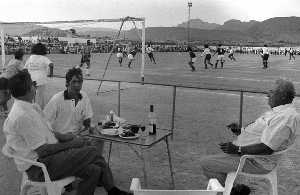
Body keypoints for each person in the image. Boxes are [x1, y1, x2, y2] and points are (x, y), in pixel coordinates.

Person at [2, 69, 131, 195]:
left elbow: (50, 131)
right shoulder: (22, 116)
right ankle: (113, 191)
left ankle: (112, 190)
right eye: (32, 84)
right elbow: (43, 151)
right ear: (28, 89)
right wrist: (73, 144)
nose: (35, 87)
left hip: (50, 158)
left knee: (94, 170)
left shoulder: (31, 107)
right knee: (92, 152)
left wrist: (67, 138)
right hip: (41, 166)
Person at [200, 79, 300, 187]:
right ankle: (235, 188)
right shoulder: (279, 112)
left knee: (206, 163)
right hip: (251, 157)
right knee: (214, 160)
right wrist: (240, 131)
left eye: (272, 92)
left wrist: (238, 150)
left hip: (255, 161)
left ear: (283, 96)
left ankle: (233, 191)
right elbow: (261, 135)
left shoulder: (285, 117)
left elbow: (267, 148)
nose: (268, 95)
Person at [44, 67, 104, 154]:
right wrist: (62, 137)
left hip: (77, 136)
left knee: (99, 140)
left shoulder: (84, 96)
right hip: (61, 139)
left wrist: (92, 129)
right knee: (85, 153)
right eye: (74, 82)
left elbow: (87, 120)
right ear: (67, 83)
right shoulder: (57, 99)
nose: (77, 85)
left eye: (80, 82)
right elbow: (44, 123)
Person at [24, 43, 54, 109]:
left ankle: (32, 108)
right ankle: (39, 110)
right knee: (40, 96)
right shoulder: (43, 58)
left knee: (32, 95)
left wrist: (27, 76)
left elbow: (25, 68)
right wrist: (51, 74)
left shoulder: (31, 57)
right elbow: (51, 64)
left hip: (31, 79)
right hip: (41, 79)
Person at [0, 48, 25, 116]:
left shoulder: (11, 60)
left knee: (3, 97)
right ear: (21, 56)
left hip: (1, 78)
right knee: (7, 97)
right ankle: (4, 110)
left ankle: (5, 112)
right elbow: (23, 72)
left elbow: (5, 69)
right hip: (7, 81)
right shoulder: (19, 62)